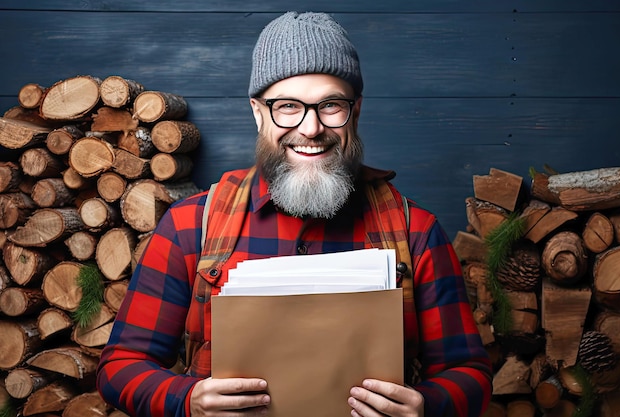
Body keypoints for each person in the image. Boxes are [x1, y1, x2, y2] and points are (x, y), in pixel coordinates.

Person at [97, 11, 493, 417]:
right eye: (287, 106)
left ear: (354, 113)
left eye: (330, 105)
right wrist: (187, 401)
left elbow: (470, 374)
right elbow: (120, 368)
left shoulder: (416, 231)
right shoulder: (190, 225)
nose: (310, 128)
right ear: (258, 112)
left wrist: (428, 406)